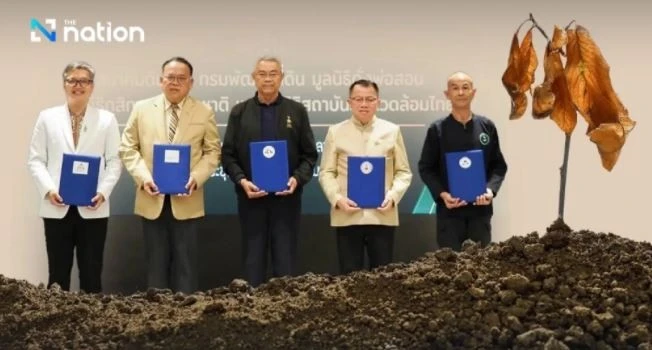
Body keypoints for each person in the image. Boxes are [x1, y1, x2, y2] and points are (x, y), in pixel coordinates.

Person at [119, 57, 220, 293]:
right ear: (161, 80)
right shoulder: (141, 108)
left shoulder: (204, 111)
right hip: (151, 197)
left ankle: (187, 320)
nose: (175, 83)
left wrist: (196, 178)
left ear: (191, 83)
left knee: (186, 266)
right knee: (155, 265)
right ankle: (156, 320)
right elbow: (127, 147)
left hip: (187, 199)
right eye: (170, 77)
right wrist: (144, 178)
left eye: (181, 78)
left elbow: (213, 152)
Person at [221, 56, 318, 287]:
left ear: (282, 77)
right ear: (253, 77)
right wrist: (242, 180)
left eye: (273, 73)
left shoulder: (297, 111)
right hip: (251, 200)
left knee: (284, 265)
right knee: (252, 263)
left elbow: (310, 155)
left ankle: (284, 313)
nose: (267, 78)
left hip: (287, 201)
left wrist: (297, 179)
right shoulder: (239, 112)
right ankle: (253, 317)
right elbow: (228, 155)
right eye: (262, 73)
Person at [27, 61, 122, 293]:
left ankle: (93, 327)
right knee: (57, 275)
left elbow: (115, 161)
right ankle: (55, 325)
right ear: (64, 84)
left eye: (84, 81)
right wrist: (49, 190)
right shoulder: (47, 117)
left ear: (92, 86)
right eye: (72, 80)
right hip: (56, 206)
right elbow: (36, 159)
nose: (77, 85)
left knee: (91, 274)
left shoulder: (107, 119)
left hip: (93, 207)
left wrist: (102, 192)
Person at [319, 79, 412, 274]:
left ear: (378, 102)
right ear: (349, 102)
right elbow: (326, 172)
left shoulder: (392, 131)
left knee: (383, 277)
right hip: (347, 216)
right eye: (358, 99)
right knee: (350, 277)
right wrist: (337, 199)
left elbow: (403, 172)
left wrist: (393, 197)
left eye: (369, 99)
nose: (364, 104)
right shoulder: (335, 132)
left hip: (381, 215)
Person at [418, 71, 507, 251]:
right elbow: (426, 167)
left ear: (473, 92)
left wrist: (490, 190)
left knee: (480, 267)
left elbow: (498, 165)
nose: (460, 92)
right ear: (447, 94)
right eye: (455, 88)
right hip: (449, 212)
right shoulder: (437, 129)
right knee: (449, 267)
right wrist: (443, 194)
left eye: (465, 88)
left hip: (480, 211)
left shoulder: (487, 126)